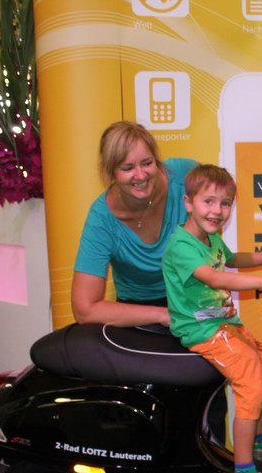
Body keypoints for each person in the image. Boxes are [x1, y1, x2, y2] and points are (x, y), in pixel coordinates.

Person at [162, 164, 262, 473]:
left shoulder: (210, 238)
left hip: (223, 323)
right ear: (188, 203)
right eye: (208, 201)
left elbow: (234, 258)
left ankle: (260, 442)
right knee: (251, 380)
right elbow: (216, 278)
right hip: (202, 329)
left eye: (225, 204)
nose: (217, 211)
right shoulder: (181, 245)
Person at [72, 121, 197, 326]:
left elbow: (223, 195)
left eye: (147, 163)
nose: (140, 175)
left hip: (193, 299)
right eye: (128, 168)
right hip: (137, 313)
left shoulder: (185, 175)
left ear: (157, 160)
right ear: (112, 172)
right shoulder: (102, 218)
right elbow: (84, 309)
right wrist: (164, 315)